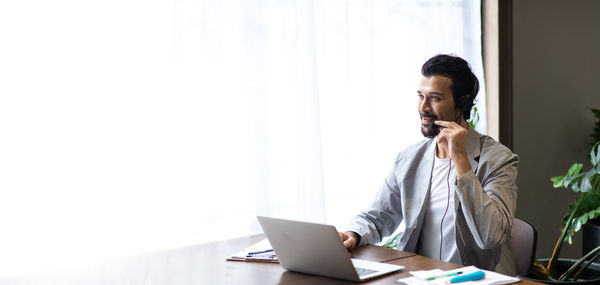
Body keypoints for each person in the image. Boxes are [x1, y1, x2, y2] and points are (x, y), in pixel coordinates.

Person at [338, 54, 519, 275]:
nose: (423, 107)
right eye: (420, 96)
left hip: (477, 279)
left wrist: (460, 159)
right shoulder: (409, 159)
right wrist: (353, 235)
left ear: (462, 103)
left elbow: (490, 236)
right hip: (422, 277)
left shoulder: (498, 159)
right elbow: (378, 216)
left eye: (434, 98)